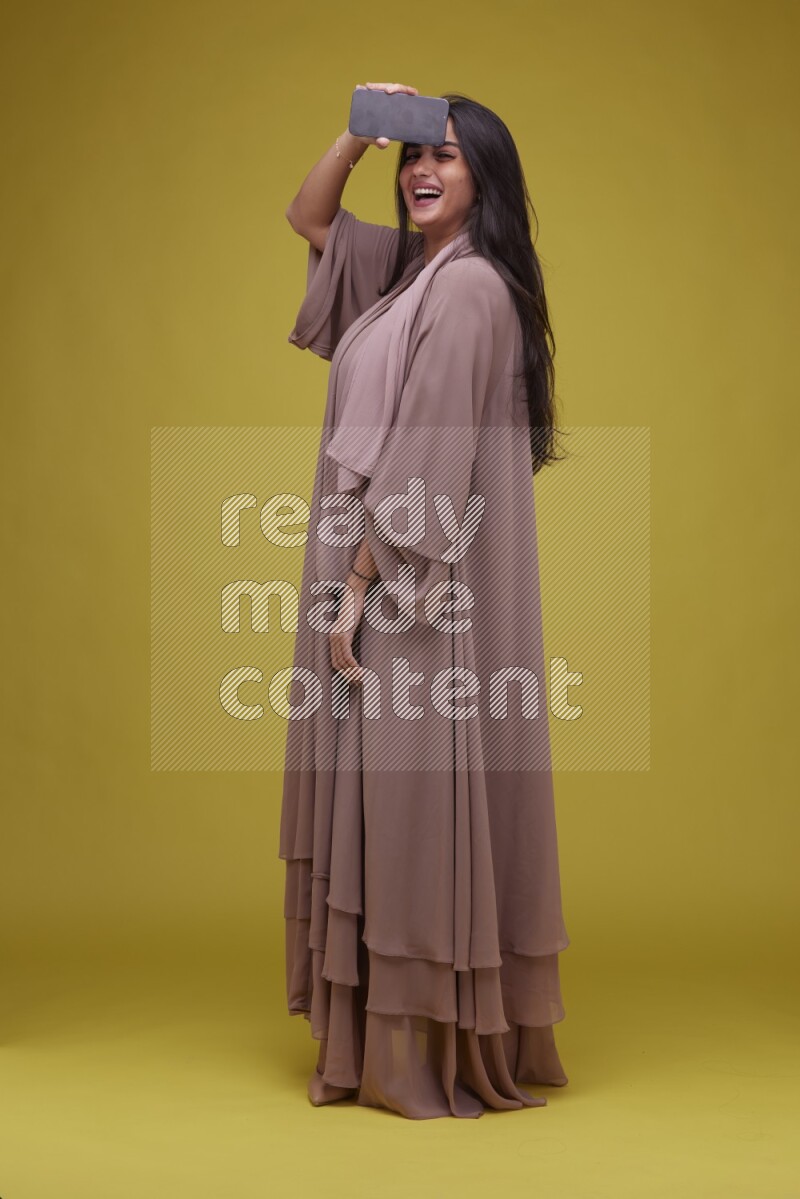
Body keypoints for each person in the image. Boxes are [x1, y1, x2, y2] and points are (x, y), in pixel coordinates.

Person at [278, 82, 571, 1120]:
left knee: (409, 804)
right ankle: (386, 1039)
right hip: (381, 572)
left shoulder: (469, 290)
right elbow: (309, 218)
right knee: (386, 796)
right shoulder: (408, 273)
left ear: (484, 176)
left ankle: (416, 1048)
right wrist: (361, 132)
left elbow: (428, 465)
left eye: (444, 155)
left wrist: (353, 589)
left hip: (410, 587)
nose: (422, 171)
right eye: (414, 155)